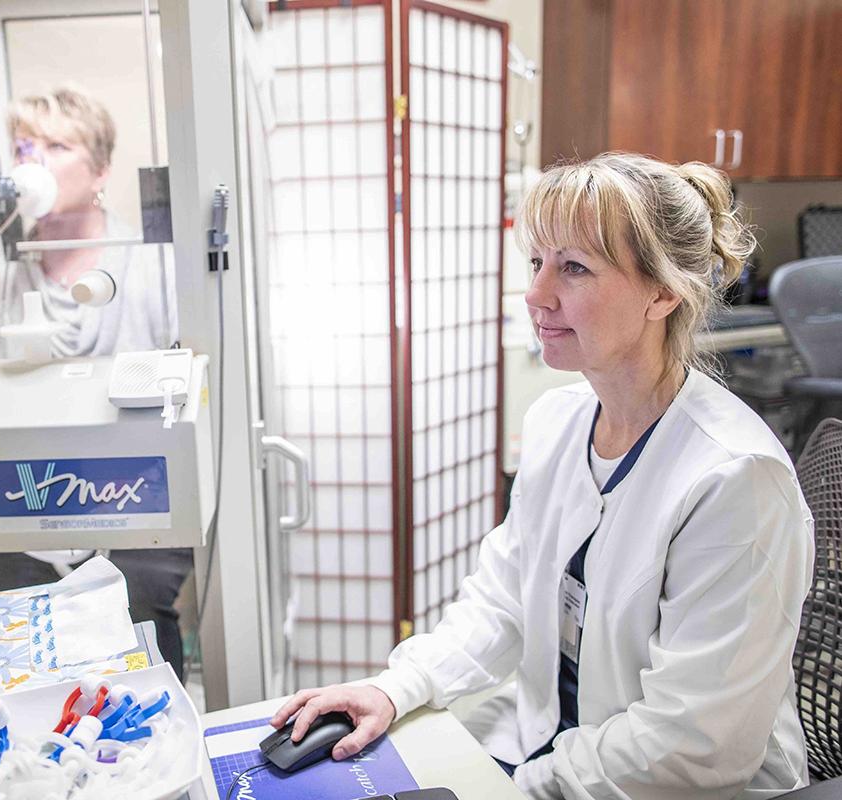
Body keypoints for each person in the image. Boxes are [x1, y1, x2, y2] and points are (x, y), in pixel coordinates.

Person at [271, 153, 815, 799]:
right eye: (537, 262)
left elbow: (694, 744)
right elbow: (502, 598)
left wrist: (517, 790)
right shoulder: (560, 420)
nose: (536, 295)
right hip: (555, 747)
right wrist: (395, 688)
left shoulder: (735, 480)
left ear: (663, 293)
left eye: (574, 268)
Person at [0, 87, 192, 678]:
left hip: (132, 492)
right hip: (24, 492)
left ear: (99, 168)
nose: (33, 161)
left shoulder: (150, 269)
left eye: (55, 145)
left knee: (132, 602)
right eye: (24, 146)